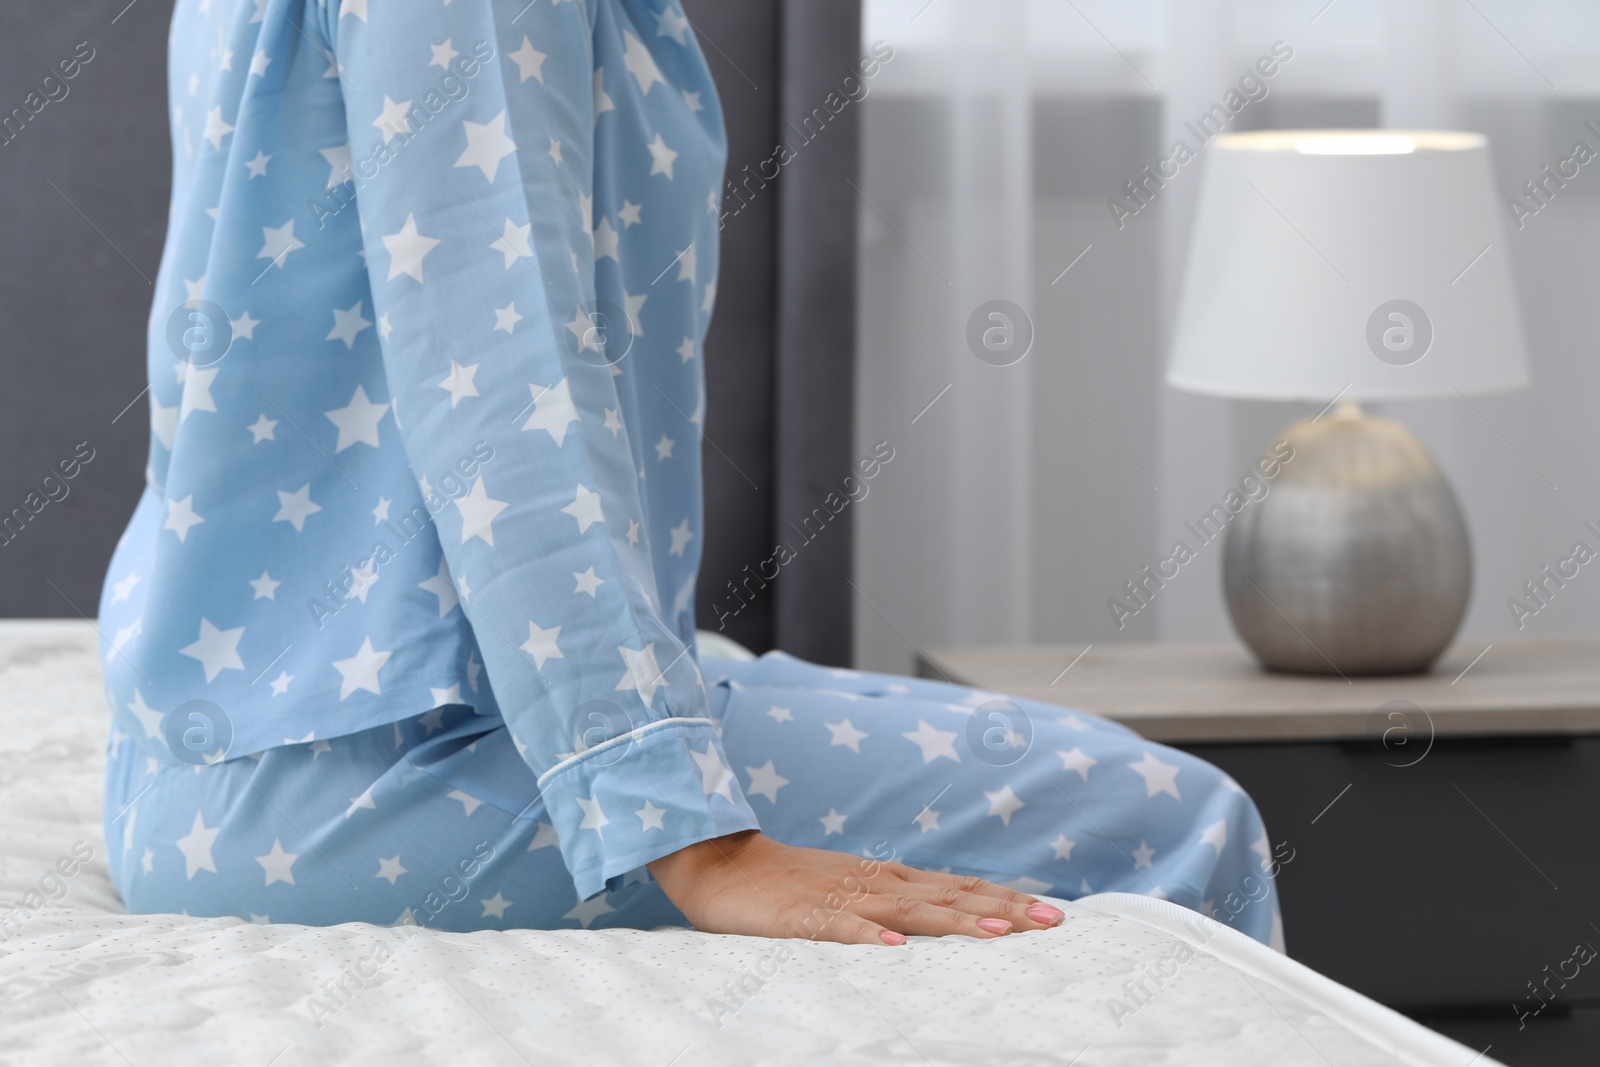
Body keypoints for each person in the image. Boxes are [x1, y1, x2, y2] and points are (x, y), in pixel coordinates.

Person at [99, 0, 1281, 949]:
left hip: (220, 751)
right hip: (377, 771)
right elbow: (507, 394)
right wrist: (689, 836)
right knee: (1179, 824)